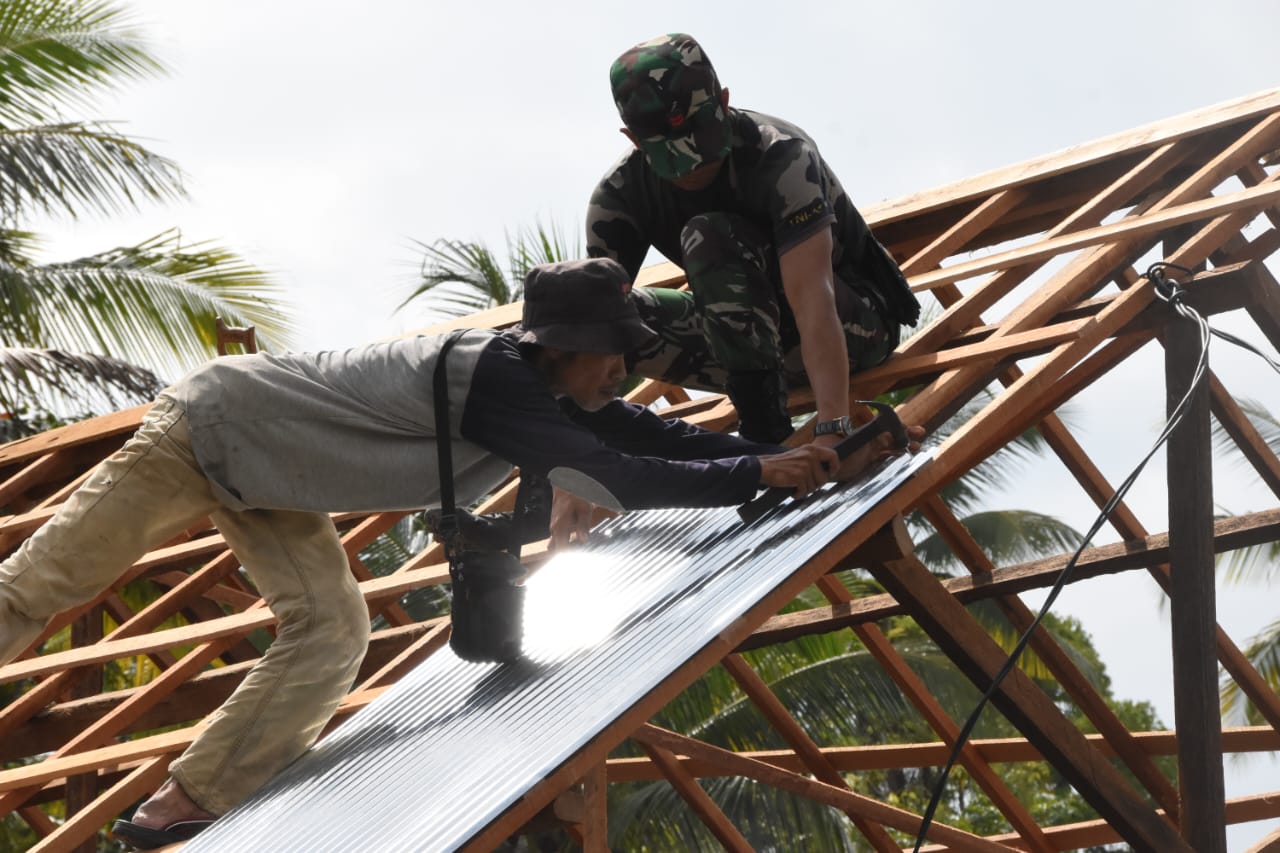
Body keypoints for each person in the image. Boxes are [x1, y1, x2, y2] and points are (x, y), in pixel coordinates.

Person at [0, 258, 910, 850]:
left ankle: (182, 804)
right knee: (40, 585)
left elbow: (648, 434)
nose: (622, 371)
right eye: (609, 355)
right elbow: (614, 476)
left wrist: (780, 457)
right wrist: (757, 470)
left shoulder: (553, 386)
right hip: (206, 430)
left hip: (271, 474)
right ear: (563, 348)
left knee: (333, 630)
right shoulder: (500, 379)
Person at [587, 33, 922, 447]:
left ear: (725, 102)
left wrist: (834, 430)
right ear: (634, 140)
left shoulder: (781, 156)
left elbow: (812, 298)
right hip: (745, 346)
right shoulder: (619, 196)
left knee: (709, 236)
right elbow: (591, 327)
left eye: (701, 140)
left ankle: (765, 436)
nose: (694, 166)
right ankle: (764, 436)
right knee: (596, 308)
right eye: (673, 155)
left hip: (853, 327)